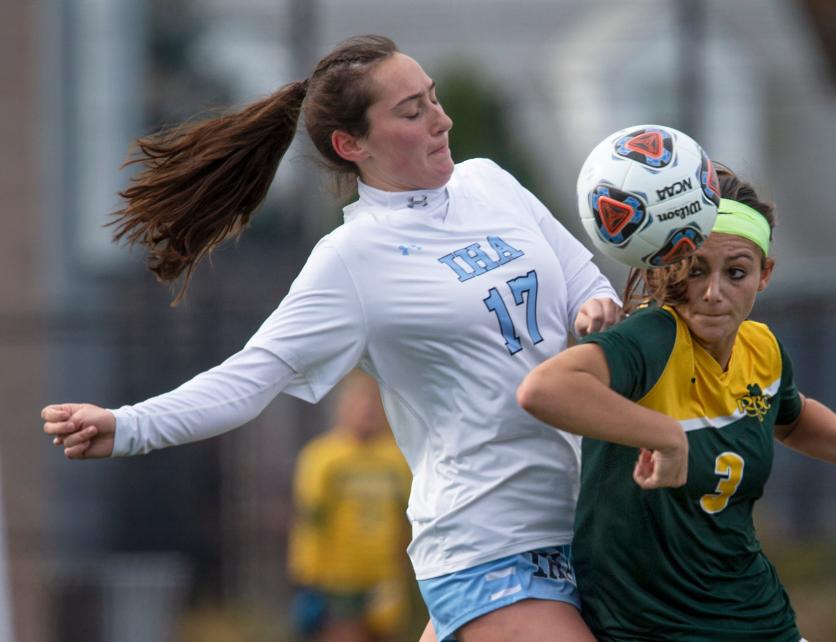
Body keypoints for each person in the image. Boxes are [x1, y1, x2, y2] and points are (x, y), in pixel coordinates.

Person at [40, 35, 624, 642]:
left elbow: (586, 283)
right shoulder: (351, 258)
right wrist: (128, 426)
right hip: (489, 545)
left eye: (433, 98)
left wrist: (597, 313)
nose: (441, 120)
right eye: (411, 111)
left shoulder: (490, 182)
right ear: (352, 145)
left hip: (586, 522)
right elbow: (251, 377)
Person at [517, 164, 836, 641]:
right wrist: (667, 437)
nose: (713, 293)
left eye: (736, 273)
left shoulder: (762, 349)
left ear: (765, 274)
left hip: (754, 614)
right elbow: (543, 389)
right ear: (669, 269)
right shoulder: (654, 337)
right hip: (649, 627)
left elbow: (790, 417)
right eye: (695, 271)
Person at [288, 370, 412, 642]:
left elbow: (407, 520)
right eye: (360, 402)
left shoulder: (398, 458)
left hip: (382, 579)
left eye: (373, 403)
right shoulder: (321, 457)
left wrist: (399, 574)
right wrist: (310, 581)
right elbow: (310, 518)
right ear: (343, 407)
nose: (367, 410)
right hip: (336, 581)